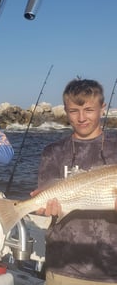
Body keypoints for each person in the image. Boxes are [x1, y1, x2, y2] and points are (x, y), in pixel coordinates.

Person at [36, 78, 117, 284]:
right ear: (65, 110)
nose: (81, 118)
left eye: (89, 110)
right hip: (63, 266)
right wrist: (42, 207)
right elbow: (44, 200)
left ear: (102, 108)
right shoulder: (53, 152)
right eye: (74, 111)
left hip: (111, 269)